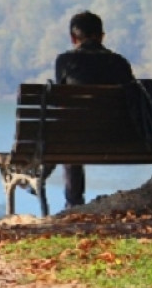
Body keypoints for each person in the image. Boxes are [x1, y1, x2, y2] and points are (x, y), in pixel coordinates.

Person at [51, 10, 135, 208]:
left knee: (69, 133)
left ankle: (74, 202)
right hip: (122, 138)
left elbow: (61, 102)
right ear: (102, 36)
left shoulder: (65, 62)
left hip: (78, 140)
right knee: (71, 133)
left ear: (73, 38)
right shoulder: (120, 63)